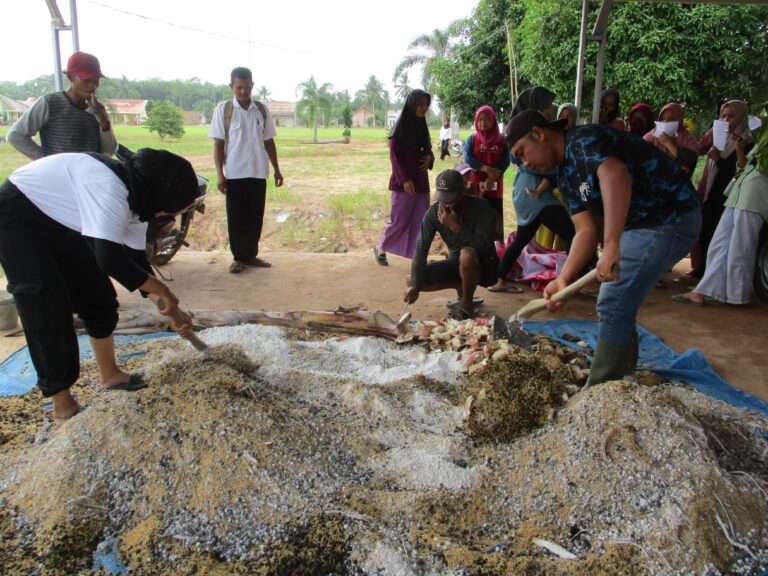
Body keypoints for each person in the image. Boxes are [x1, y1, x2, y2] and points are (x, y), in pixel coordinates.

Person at [0, 149, 199, 421]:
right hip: (18, 213)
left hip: (63, 217)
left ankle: (111, 375)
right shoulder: (109, 190)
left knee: (98, 297)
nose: (165, 217)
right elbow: (111, 260)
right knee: (47, 307)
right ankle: (63, 403)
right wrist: (164, 291)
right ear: (160, 202)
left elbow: (134, 264)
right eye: (168, 211)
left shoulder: (138, 199)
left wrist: (168, 308)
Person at [505, 110, 700, 387]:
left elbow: (615, 175)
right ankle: (622, 377)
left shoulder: (583, 141)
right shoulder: (565, 175)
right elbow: (585, 230)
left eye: (523, 152)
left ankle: (600, 390)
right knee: (620, 300)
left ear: (539, 134)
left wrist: (611, 244)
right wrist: (563, 278)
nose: (526, 163)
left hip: (670, 216)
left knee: (612, 300)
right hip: (642, 224)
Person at [673, 118, 767, 306]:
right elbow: (741, 168)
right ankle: (706, 290)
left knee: (741, 247)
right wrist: (741, 148)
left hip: (755, 199)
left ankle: (736, 295)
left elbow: (763, 167)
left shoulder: (763, 147)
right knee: (720, 243)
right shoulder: (759, 144)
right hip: (739, 194)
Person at [210, 67, 283, 274]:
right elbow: (218, 144)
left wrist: (277, 169)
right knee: (236, 217)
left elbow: (268, 141)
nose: (243, 91)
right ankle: (238, 258)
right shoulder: (224, 111)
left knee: (254, 216)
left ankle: (251, 255)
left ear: (253, 85)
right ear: (231, 86)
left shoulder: (261, 110)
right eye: (238, 87)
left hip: (258, 171)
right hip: (234, 173)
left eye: (246, 87)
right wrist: (219, 174)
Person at [404, 169, 498, 320]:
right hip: (456, 263)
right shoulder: (433, 212)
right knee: (413, 278)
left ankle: (467, 303)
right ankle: (461, 286)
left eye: (450, 198)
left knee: (467, 254)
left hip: (485, 265)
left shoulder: (482, 207)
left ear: (463, 192)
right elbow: (421, 248)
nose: (445, 203)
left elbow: (483, 246)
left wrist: (455, 227)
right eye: (442, 198)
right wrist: (415, 286)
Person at [7, 51, 116, 160]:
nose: (93, 85)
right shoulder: (49, 103)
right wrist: (46, 160)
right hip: (58, 175)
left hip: (87, 174)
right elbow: (16, 135)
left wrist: (103, 122)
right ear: (71, 76)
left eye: (96, 80)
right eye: (87, 80)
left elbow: (108, 151)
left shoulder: (97, 109)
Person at [689, 99, 754, 278]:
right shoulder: (720, 136)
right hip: (714, 190)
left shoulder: (747, 140)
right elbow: (699, 148)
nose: (726, 120)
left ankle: (710, 274)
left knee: (716, 232)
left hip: (729, 193)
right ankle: (701, 270)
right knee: (706, 227)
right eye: (723, 116)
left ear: (741, 117)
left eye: (731, 116)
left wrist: (718, 157)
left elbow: (738, 170)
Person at [374, 89, 434, 266]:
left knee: (421, 220)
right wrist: (405, 180)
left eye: (426, 105)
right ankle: (381, 248)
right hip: (403, 184)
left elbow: (429, 151)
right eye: (420, 104)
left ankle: (419, 257)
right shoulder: (399, 129)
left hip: (421, 182)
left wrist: (430, 159)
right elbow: (394, 157)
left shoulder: (422, 127)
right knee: (399, 220)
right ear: (411, 104)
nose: (423, 108)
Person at [464, 105, 510, 242]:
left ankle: (494, 252)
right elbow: (468, 159)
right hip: (475, 187)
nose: (483, 123)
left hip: (494, 188)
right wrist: (486, 169)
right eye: (480, 120)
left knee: (494, 218)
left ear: (493, 120)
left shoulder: (502, 141)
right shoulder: (472, 140)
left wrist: (492, 177)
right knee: (474, 216)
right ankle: (473, 249)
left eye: (487, 119)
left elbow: (506, 161)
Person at [643, 102, 700, 175]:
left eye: (671, 119)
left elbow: (691, 160)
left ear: (679, 121)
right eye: (662, 119)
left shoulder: (686, 139)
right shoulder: (650, 137)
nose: (666, 122)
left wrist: (668, 143)